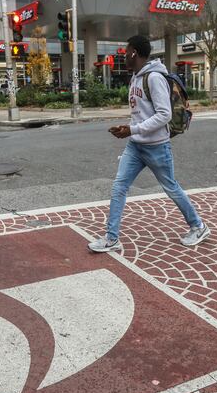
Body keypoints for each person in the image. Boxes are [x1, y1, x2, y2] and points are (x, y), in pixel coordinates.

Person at [87, 35, 209, 252]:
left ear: (134, 52)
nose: (123, 56)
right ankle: (111, 237)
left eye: (126, 51)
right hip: (135, 145)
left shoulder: (153, 77)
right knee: (119, 187)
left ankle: (198, 226)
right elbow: (142, 114)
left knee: (171, 188)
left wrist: (132, 130)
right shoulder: (135, 78)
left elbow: (164, 114)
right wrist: (129, 128)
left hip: (156, 147)